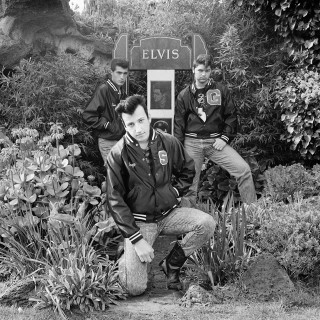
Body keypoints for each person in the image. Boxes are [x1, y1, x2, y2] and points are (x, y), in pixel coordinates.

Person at [106, 95, 216, 296]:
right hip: (141, 223)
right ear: (124, 125)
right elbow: (115, 200)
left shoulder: (168, 142)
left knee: (206, 223)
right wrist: (137, 240)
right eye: (130, 124)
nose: (138, 129)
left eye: (140, 121)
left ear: (148, 117)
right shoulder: (117, 153)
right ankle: (126, 257)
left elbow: (188, 169)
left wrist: (174, 192)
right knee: (134, 288)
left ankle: (171, 264)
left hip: (169, 214)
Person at [174, 54, 256, 204]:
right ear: (193, 70)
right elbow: (178, 125)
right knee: (190, 187)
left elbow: (231, 115)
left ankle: (252, 214)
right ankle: (187, 224)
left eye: (207, 70)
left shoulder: (220, 91)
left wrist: (224, 137)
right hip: (192, 143)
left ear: (211, 71)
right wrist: (179, 152)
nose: (203, 74)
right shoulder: (184, 95)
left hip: (215, 143)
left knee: (243, 170)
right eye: (200, 70)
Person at [82, 58, 129, 165]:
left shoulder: (122, 93)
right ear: (111, 72)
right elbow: (88, 115)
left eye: (125, 73)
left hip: (121, 141)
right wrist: (107, 125)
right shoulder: (104, 89)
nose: (122, 77)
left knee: (121, 176)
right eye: (119, 73)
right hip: (107, 141)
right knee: (115, 174)